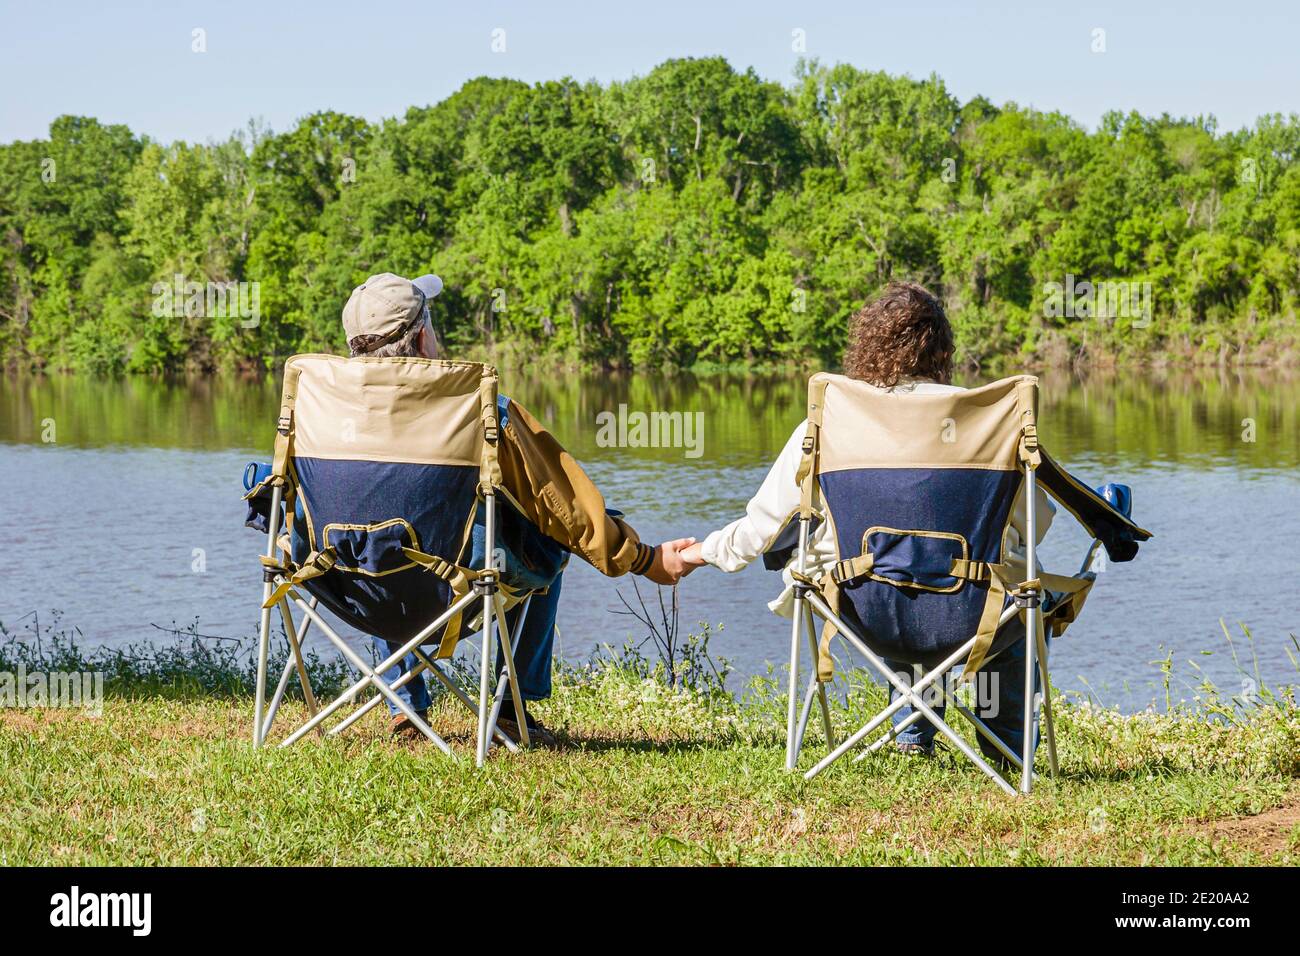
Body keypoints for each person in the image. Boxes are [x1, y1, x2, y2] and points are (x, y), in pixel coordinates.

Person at [678, 282, 1054, 763]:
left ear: (868, 347)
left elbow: (763, 528)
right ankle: (1008, 755)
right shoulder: (992, 418)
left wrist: (695, 554)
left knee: (894, 573)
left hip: (864, 613)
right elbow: (1036, 523)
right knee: (999, 586)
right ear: (942, 348)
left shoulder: (830, 420)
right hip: (974, 616)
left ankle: (911, 733)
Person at [340, 273, 693, 744]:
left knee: (378, 539)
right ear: (423, 335)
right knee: (546, 536)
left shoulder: (325, 418)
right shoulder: (481, 411)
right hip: (455, 589)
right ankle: (510, 709)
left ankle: (404, 708)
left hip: (353, 590)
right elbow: (565, 508)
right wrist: (644, 559)